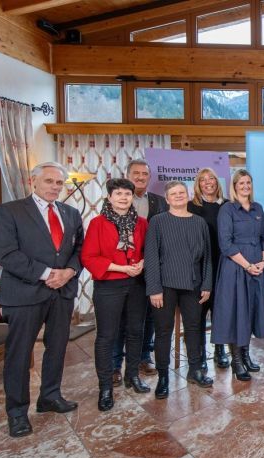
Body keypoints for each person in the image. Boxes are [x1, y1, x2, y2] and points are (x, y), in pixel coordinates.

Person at [0, 162, 83, 437]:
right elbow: (4, 253)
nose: (55, 187)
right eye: (49, 181)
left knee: (57, 348)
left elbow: (79, 249)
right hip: (24, 293)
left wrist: (68, 272)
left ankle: (50, 396)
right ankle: (17, 412)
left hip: (62, 292)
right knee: (20, 354)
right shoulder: (10, 211)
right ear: (33, 181)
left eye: (59, 182)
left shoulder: (71, 213)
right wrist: (46, 274)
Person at [81, 178, 151, 412]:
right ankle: (105, 388)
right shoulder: (97, 223)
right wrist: (121, 268)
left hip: (136, 284)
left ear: (132, 197)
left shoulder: (141, 223)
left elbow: (149, 250)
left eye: (127, 194)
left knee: (135, 331)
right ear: (109, 197)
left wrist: (142, 263)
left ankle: (132, 375)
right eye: (118, 193)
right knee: (106, 336)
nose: (123, 197)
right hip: (109, 285)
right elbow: (88, 257)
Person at [145, 181, 214, 398]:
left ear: (188, 195)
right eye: (173, 194)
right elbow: (151, 256)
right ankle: (163, 376)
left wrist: (206, 284)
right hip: (164, 286)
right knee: (163, 331)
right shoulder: (157, 221)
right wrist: (154, 288)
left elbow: (207, 257)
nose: (178, 196)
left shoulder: (199, 222)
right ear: (167, 199)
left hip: (193, 285)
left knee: (194, 328)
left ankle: (195, 370)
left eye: (181, 192)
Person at [212, 170, 264, 381]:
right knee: (236, 312)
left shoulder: (258, 208)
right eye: (241, 183)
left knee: (250, 311)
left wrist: (263, 262)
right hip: (235, 267)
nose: (245, 186)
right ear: (234, 186)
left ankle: (246, 355)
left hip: (257, 268)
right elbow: (225, 244)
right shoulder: (227, 209)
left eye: (248, 182)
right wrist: (247, 265)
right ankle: (236, 360)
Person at [112, 158, 166, 382]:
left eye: (145, 174)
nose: (141, 177)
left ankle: (144, 357)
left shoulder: (159, 201)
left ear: (149, 177)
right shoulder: (117, 199)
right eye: (136, 173)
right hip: (123, 268)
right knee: (120, 318)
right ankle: (115, 364)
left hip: (152, 268)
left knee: (150, 315)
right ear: (127, 175)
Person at [187, 168, 228, 369]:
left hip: (223, 264)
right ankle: (200, 354)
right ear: (198, 185)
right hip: (200, 267)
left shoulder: (227, 205)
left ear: (217, 182)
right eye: (203, 180)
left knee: (220, 310)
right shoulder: (190, 207)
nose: (208, 182)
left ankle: (220, 350)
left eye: (211, 178)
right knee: (199, 312)